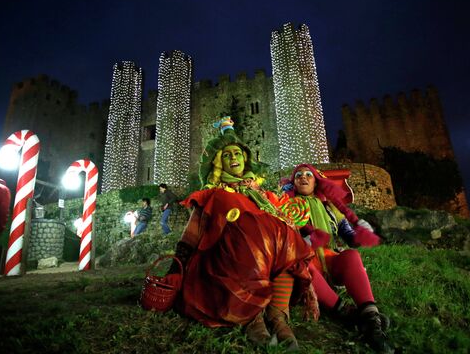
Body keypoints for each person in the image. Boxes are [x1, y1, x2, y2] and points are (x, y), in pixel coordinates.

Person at [168, 118, 314, 350]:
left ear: (244, 159)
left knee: (287, 236)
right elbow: (193, 231)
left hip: (271, 252)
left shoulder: (260, 194)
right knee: (249, 233)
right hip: (224, 259)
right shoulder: (213, 193)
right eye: (227, 155)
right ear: (219, 163)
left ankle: (277, 317)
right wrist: (176, 269)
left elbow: (284, 216)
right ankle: (252, 317)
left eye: (237, 153)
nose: (233, 158)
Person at [283, 164, 392, 353]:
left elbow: (350, 238)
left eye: (309, 174)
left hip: (331, 260)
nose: (303, 177)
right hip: (308, 262)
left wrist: (361, 232)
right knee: (301, 264)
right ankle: (345, 312)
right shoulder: (286, 207)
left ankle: (370, 316)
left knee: (351, 256)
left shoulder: (330, 208)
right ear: (293, 182)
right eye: (298, 175)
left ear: (316, 180)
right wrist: (303, 242)